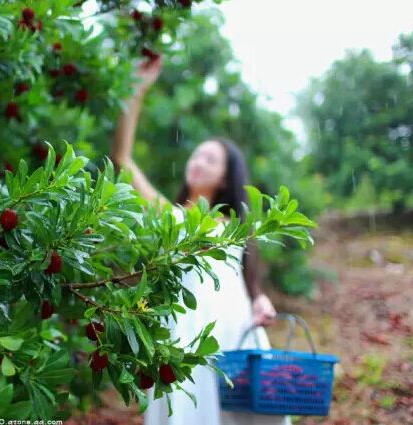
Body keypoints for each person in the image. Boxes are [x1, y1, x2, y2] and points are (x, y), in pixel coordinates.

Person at [111, 56, 290, 425]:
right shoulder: (171, 215)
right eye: (197, 154)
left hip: (236, 330)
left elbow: (244, 279)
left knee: (240, 414)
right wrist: (136, 91)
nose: (198, 160)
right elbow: (122, 159)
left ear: (226, 177)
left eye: (211, 158)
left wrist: (261, 300)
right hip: (188, 331)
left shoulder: (237, 226)